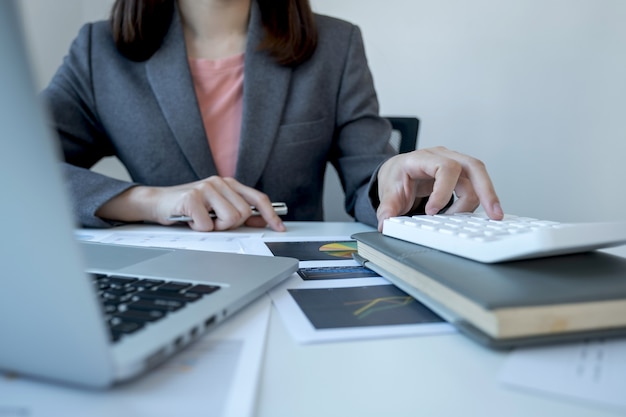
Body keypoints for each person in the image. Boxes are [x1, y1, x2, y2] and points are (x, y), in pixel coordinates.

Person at [44, 0, 503, 234]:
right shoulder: (97, 51)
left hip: (293, 280)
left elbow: (368, 177)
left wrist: (395, 177)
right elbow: (15, 166)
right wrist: (149, 202)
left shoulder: (335, 45)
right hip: (160, 275)